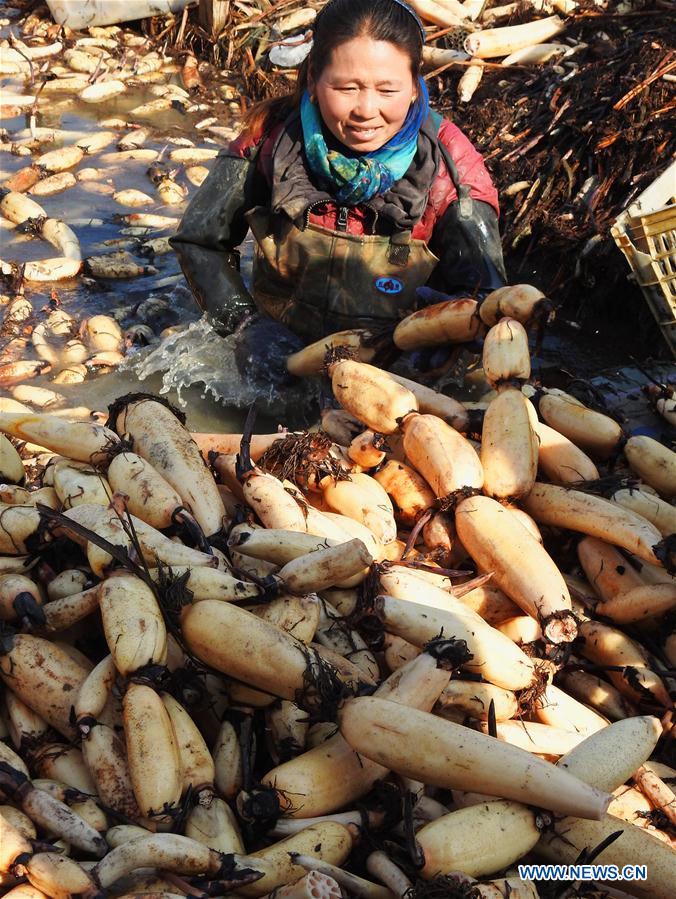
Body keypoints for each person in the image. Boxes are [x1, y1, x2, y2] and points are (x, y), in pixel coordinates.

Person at [171, 0, 506, 378]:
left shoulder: (452, 169)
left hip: (394, 378)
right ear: (313, 78)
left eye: (387, 90)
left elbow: (490, 300)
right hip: (279, 363)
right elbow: (199, 243)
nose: (366, 109)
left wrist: (447, 335)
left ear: (414, 87)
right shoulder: (269, 139)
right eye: (346, 87)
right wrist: (245, 324)